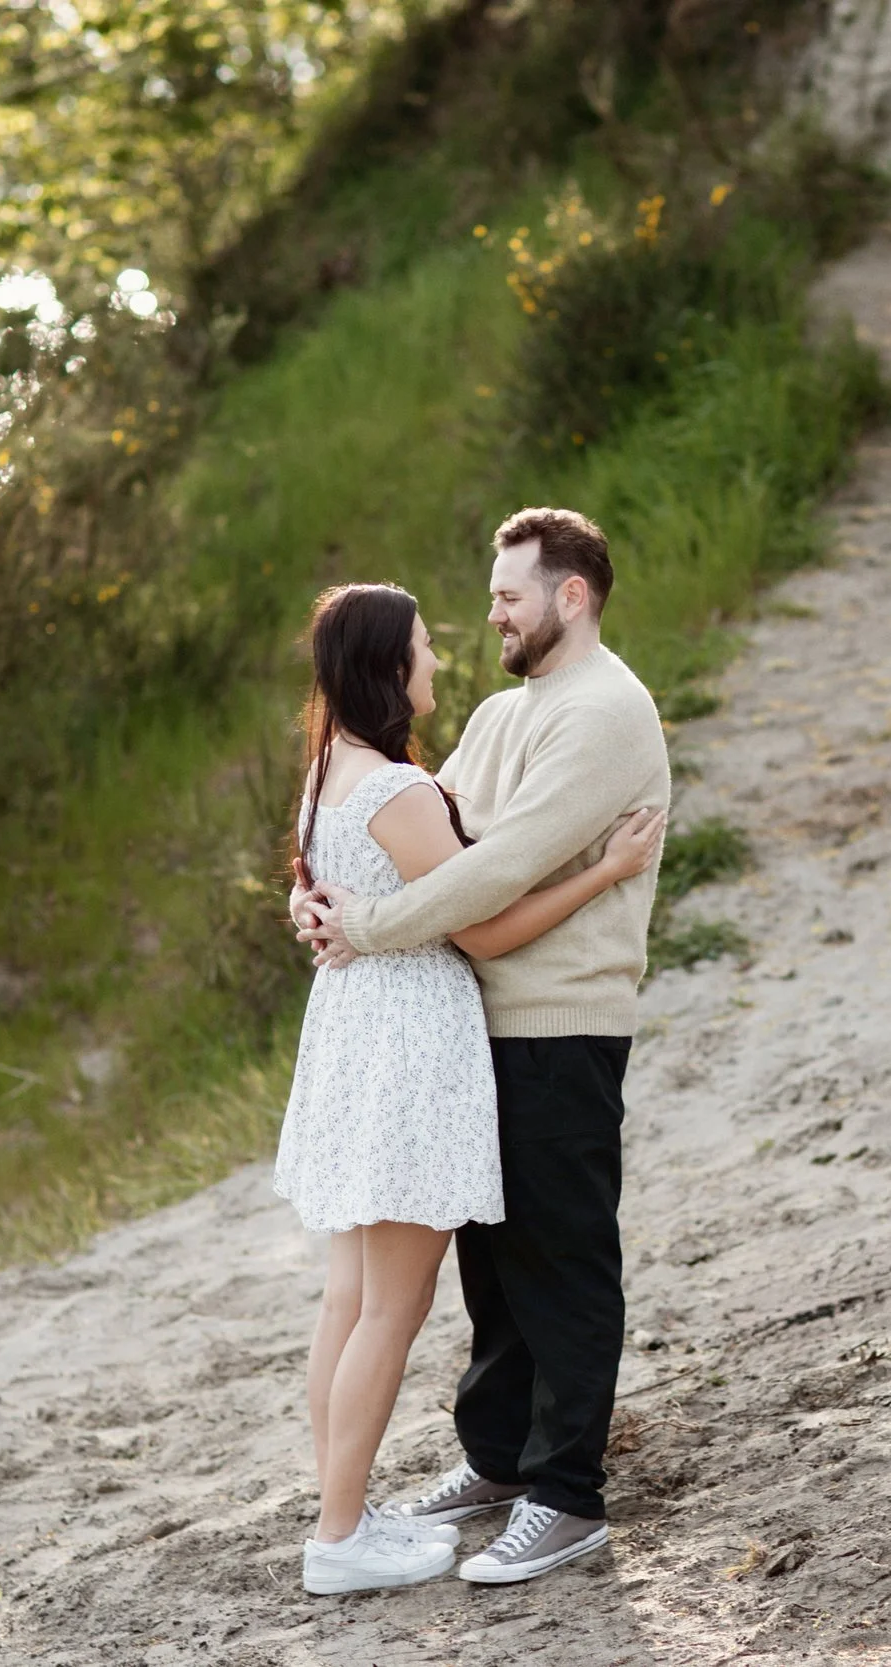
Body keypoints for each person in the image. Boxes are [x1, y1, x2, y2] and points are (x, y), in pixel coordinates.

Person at [294, 508, 672, 1587]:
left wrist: (360, 925)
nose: (491, 611)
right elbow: (417, 816)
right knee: (495, 1276)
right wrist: (325, 894)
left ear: (571, 595)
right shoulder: (514, 708)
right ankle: (500, 1461)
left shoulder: (604, 711)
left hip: (560, 1021)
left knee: (561, 1262)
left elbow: (491, 869)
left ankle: (565, 1495)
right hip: (477, 1026)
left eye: (509, 593)